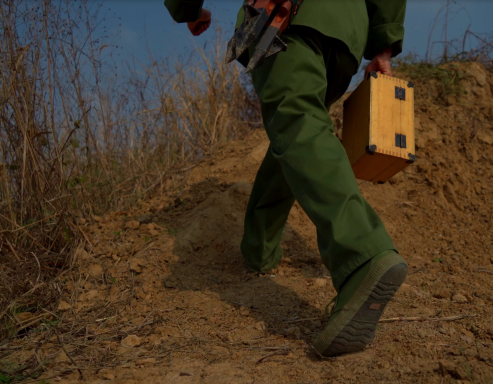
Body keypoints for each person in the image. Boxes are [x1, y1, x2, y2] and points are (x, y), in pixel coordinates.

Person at [164, 0, 408, 357]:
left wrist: (188, 10)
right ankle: (259, 249)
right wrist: (383, 46)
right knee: (296, 129)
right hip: (346, 37)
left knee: (296, 122)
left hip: (287, 16)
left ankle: (362, 255)